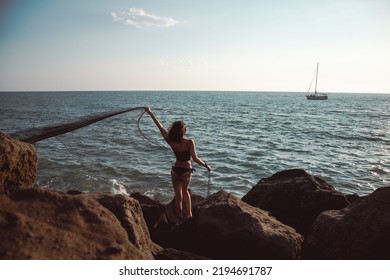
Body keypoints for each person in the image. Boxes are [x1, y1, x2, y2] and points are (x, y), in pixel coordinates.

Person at [145, 107, 211, 220]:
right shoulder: (190, 142)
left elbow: (160, 127)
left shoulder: (171, 141)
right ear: (184, 131)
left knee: (178, 196)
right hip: (186, 171)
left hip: (175, 170)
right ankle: (189, 216)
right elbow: (195, 159)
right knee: (186, 192)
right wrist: (206, 165)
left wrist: (150, 113)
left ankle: (179, 218)